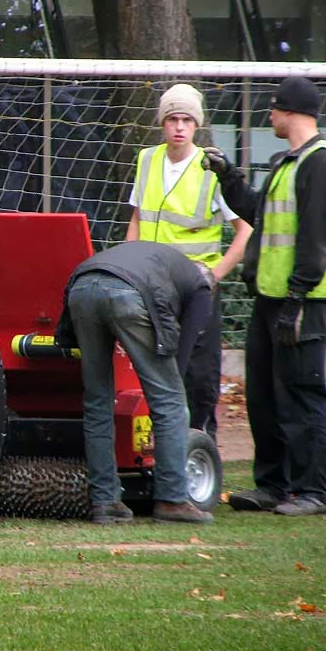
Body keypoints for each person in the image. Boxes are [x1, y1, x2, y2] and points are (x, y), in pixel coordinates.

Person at [202, 76, 326, 517]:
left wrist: (296, 300)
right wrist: (229, 176)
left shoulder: (320, 163)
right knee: (264, 394)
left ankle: (314, 492)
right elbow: (257, 212)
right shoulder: (288, 161)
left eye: (273, 109)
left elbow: (316, 241)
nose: (269, 116)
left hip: (301, 302)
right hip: (270, 299)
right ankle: (272, 486)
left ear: (291, 111)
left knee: (302, 392)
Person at [55, 241, 215, 525]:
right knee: (171, 402)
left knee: (97, 400)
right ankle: (172, 500)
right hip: (127, 293)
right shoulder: (202, 288)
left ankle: (105, 501)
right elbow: (184, 351)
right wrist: (166, 381)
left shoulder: (159, 259)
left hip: (81, 288)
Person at [126, 83, 253, 440]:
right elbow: (136, 220)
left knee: (199, 377)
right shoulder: (147, 160)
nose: (179, 126)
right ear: (162, 123)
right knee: (156, 369)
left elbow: (245, 229)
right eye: (172, 119)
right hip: (152, 286)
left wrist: (215, 274)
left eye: (186, 119)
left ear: (196, 125)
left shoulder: (211, 168)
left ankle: (200, 447)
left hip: (197, 289)